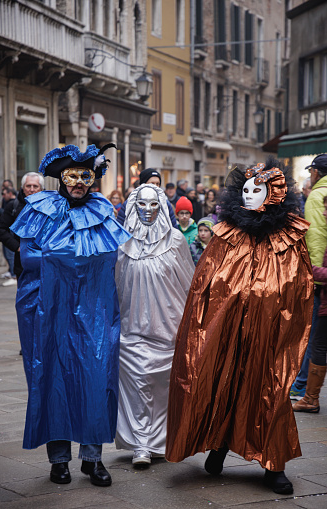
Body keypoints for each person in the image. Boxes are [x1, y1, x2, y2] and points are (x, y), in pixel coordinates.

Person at [166, 157, 314, 496]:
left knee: (270, 391)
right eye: (244, 189)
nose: (248, 196)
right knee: (222, 382)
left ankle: (274, 464)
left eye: (256, 190)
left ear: (273, 194)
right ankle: (218, 445)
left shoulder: (291, 237)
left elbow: (300, 287)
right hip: (227, 329)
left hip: (271, 331)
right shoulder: (226, 234)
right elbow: (204, 282)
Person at [10, 143, 131, 487]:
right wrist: (66, 258)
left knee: (95, 377)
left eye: (85, 176)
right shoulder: (40, 208)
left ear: (93, 178)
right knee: (53, 377)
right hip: (50, 307)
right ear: (61, 178)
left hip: (94, 310)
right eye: (72, 176)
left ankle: (92, 459)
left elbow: (110, 260)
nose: (78, 182)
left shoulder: (104, 210)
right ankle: (59, 459)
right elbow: (28, 258)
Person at [115, 184, 194, 466]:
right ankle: (141, 444)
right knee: (137, 385)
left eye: (154, 205)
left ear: (162, 208)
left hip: (168, 329)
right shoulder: (122, 242)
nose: (148, 211)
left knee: (163, 388)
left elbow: (188, 283)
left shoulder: (175, 240)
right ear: (133, 207)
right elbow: (116, 285)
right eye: (142, 205)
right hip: (133, 328)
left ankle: (162, 441)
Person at [290, 153, 327, 400]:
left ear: (317, 172)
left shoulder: (318, 195)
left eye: (311, 172)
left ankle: (303, 388)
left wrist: (315, 275)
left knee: (317, 337)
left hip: (325, 280)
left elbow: (316, 238)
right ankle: (305, 389)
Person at [0, 186, 17, 285]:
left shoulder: (14, 204)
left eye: (4, 194)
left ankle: (14, 275)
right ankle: (12, 273)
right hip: (9, 236)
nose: (3, 196)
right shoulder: (10, 204)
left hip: (12, 235)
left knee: (10, 255)